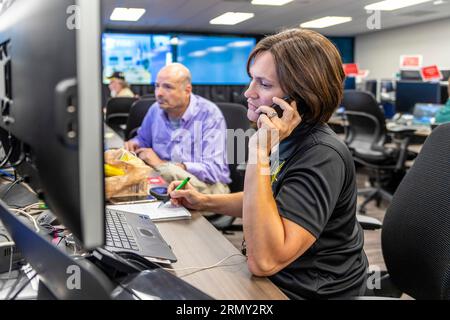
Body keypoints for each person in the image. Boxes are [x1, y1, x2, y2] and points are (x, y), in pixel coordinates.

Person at [167, 29, 368, 300]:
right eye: (252, 79)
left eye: (263, 83)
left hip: (308, 291)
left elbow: (265, 262)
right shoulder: (286, 137)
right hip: (279, 280)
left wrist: (258, 153)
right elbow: (268, 202)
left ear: (300, 97)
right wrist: (203, 201)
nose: (247, 92)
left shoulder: (321, 154)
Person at [125, 63, 231, 195]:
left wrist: (163, 165)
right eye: (157, 86)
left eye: (168, 87)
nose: (159, 93)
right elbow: (142, 140)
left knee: (167, 175)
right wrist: (135, 143)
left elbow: (214, 171)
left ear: (187, 90)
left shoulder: (209, 115)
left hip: (203, 184)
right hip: (162, 180)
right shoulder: (155, 110)